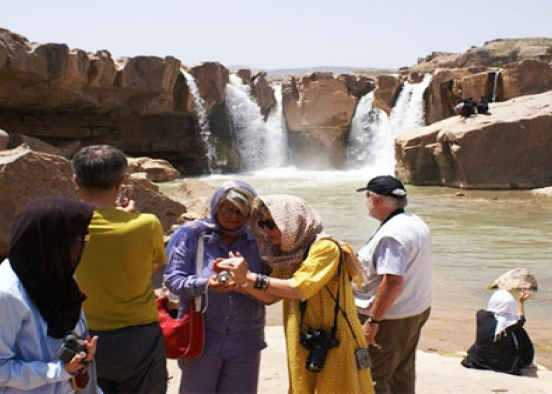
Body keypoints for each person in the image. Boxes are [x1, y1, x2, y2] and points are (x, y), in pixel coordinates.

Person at [217, 194, 374, 394]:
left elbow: (299, 288)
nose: (266, 231)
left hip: (335, 341)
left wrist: (249, 277)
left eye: (271, 224)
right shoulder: (290, 255)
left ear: (292, 221)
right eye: (262, 224)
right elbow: (271, 297)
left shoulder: (326, 248)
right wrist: (241, 281)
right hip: (306, 340)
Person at [0, 197, 100, 394]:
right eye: (79, 239)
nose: (82, 246)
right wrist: (58, 371)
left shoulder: (58, 277)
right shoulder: (1, 294)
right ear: (53, 242)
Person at [72, 145, 168, 394]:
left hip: (83, 335)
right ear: (121, 183)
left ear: (76, 181)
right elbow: (150, 268)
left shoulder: (64, 225)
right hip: (138, 338)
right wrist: (126, 218)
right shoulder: (147, 224)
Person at [163, 181, 269, 394]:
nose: (233, 216)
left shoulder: (260, 240)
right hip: (201, 336)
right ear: (216, 207)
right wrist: (206, 284)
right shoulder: (193, 235)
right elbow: (173, 280)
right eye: (227, 209)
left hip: (245, 339)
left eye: (241, 211)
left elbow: (272, 284)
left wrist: (246, 282)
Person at [353, 175, 432, 394]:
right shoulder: (414, 221)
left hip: (390, 318)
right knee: (402, 371)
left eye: (367, 197)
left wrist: (373, 321)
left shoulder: (392, 235)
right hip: (415, 309)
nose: (366, 203)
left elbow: (393, 281)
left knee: (374, 376)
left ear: (376, 200)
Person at [460, 289, 535, 375]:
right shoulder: (512, 324)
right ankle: (526, 360)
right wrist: (521, 302)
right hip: (503, 365)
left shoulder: (481, 315)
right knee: (520, 332)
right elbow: (522, 319)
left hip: (477, 360)